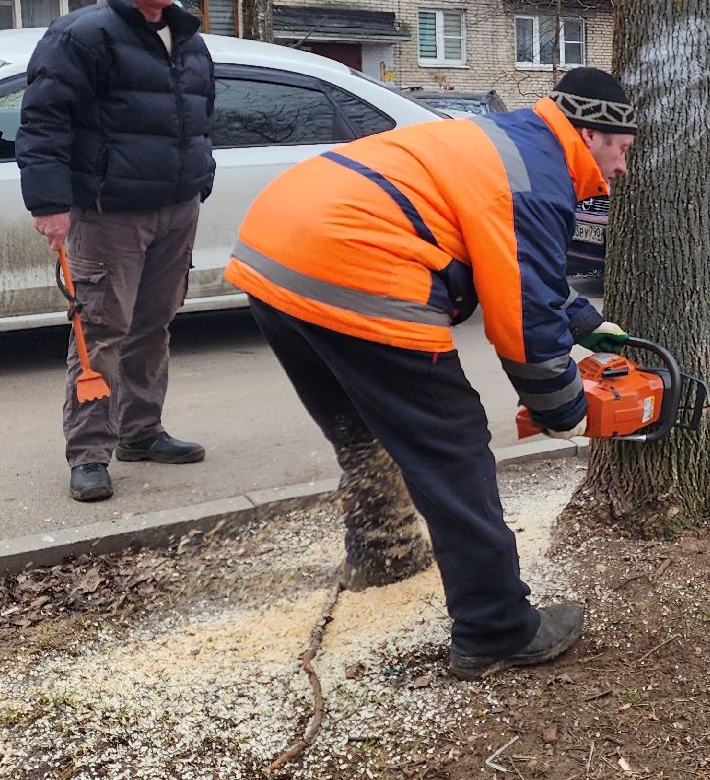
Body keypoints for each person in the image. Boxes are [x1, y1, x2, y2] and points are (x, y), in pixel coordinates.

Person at [225, 67, 637, 676]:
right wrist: (565, 409)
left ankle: (382, 549)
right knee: (454, 444)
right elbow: (522, 321)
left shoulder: (512, 142)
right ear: (590, 132)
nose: (623, 168)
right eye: (623, 150)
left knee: (366, 427)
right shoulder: (540, 178)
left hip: (273, 254)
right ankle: (494, 627)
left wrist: (582, 322)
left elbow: (511, 260)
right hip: (357, 261)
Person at [17, 0, 215, 504]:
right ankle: (89, 454)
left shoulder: (189, 39)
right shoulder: (82, 35)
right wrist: (51, 203)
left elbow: (200, 118)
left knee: (154, 326)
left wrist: (199, 178)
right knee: (98, 330)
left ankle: (141, 432)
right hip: (108, 213)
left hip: (175, 207)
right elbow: (43, 122)